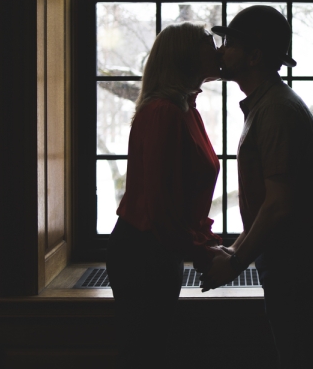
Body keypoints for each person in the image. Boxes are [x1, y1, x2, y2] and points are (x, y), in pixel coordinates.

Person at [201, 5, 313, 368]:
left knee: (301, 357)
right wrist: (234, 250)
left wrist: (234, 261)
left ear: (253, 56)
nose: (220, 51)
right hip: (294, 255)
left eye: (228, 44)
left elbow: (279, 205)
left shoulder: (276, 112)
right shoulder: (268, 105)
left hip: (300, 258)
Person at [105, 22, 225, 368]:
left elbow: (182, 202)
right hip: (143, 253)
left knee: (151, 352)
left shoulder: (186, 110)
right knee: (143, 354)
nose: (218, 50)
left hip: (159, 249)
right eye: (209, 43)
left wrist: (206, 242)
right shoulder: (163, 113)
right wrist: (203, 252)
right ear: (185, 56)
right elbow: (159, 206)